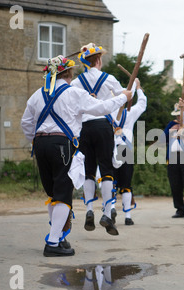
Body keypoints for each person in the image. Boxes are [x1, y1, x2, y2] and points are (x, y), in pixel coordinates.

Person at [21, 55, 132, 257]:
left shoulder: (37, 94)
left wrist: (36, 141)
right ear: (69, 73)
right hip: (61, 144)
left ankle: (60, 237)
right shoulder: (74, 93)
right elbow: (102, 108)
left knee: (53, 193)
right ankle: (53, 242)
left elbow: (26, 123)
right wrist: (124, 96)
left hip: (40, 143)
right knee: (63, 192)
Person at [71, 43, 135, 236]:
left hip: (85, 128)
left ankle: (89, 210)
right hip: (103, 126)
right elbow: (126, 98)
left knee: (88, 170)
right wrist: (130, 93)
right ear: (98, 60)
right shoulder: (109, 79)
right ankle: (107, 213)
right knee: (106, 169)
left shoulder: (75, 82)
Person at [110, 79, 147, 225]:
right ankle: (128, 216)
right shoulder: (130, 114)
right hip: (125, 149)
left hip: (110, 148)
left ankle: (111, 209)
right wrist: (139, 88)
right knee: (126, 184)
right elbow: (143, 103)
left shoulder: (107, 112)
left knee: (110, 182)